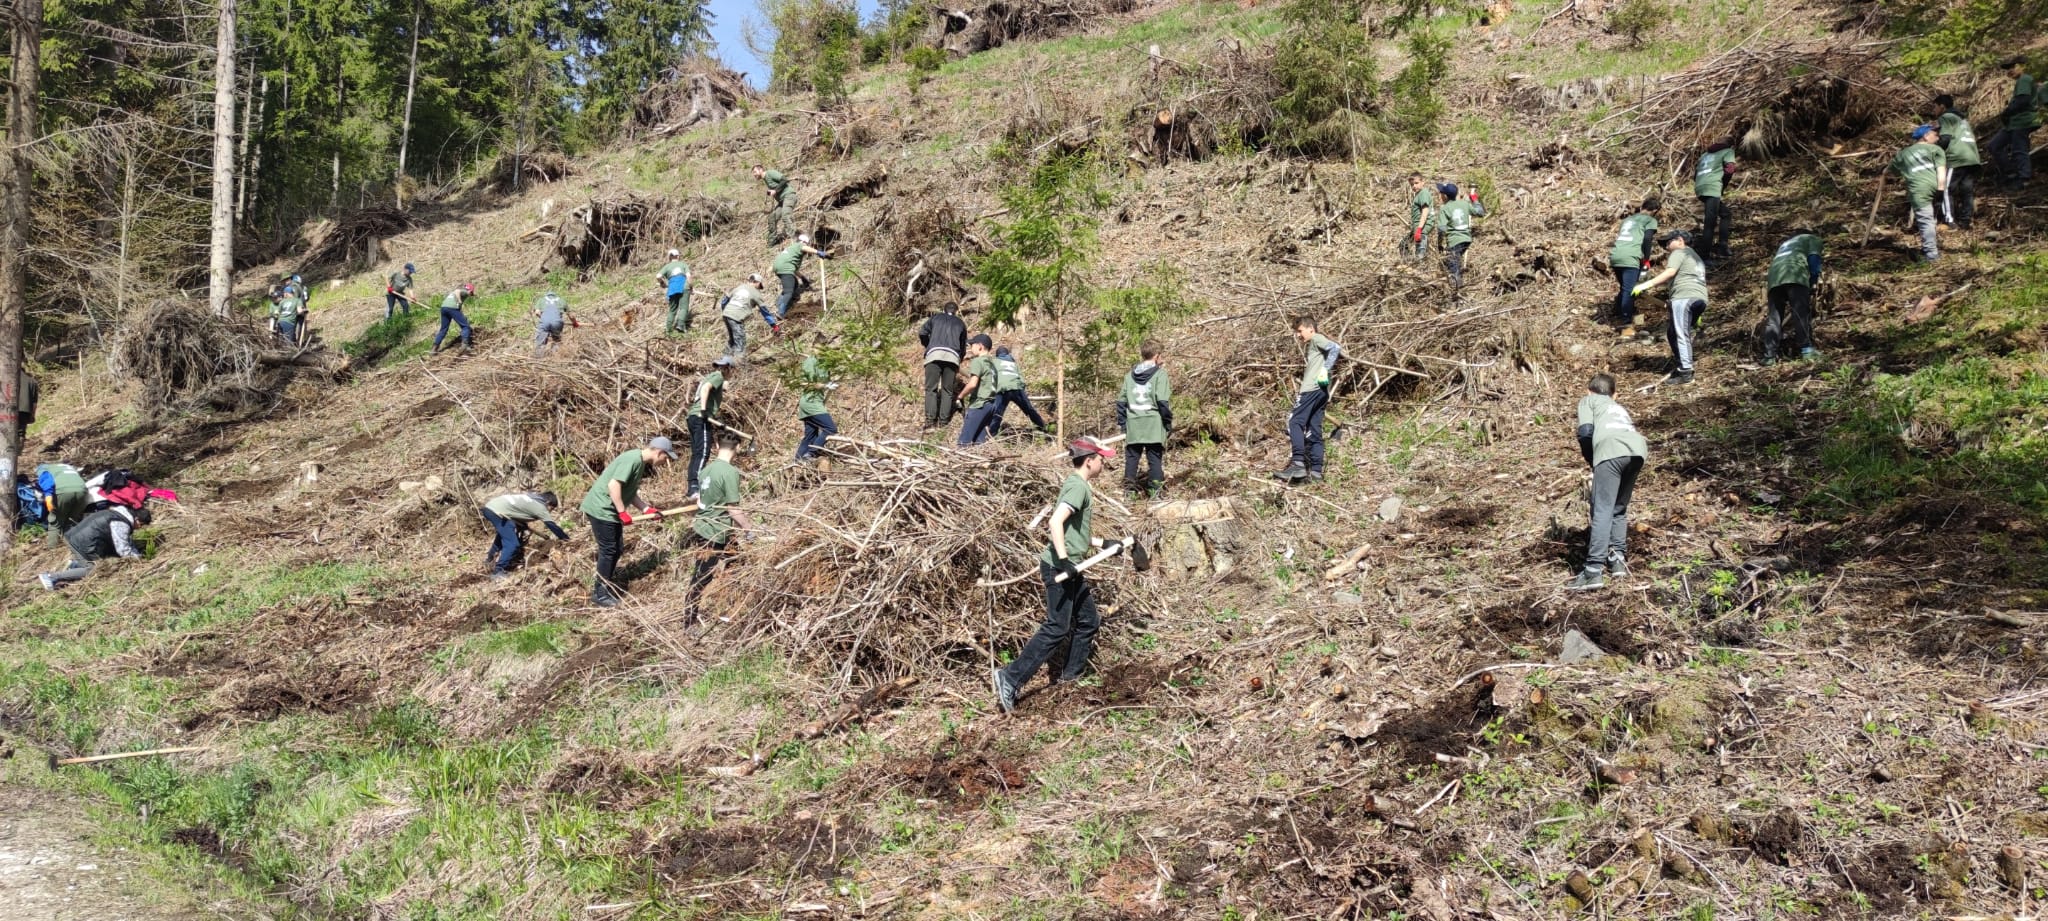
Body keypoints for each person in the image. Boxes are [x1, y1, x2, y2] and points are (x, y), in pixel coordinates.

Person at [992, 437, 1118, 713]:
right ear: (1089, 460)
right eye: (1101, 458)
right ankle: (1010, 677)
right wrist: (1062, 560)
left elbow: (1073, 533)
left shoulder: (1078, 485)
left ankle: (1070, 679)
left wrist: (1102, 544)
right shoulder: (1077, 487)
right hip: (1060, 567)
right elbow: (1054, 521)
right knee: (1057, 626)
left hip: (1069, 566)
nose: (1103, 463)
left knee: (1088, 620)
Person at [1565, 374, 1648, 591]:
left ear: (1589, 391)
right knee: (1618, 508)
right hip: (1638, 450)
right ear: (1615, 394)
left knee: (1602, 509)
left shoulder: (1588, 401)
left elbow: (1585, 433)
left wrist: (1593, 460)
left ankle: (1593, 571)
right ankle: (1617, 559)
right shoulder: (1617, 407)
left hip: (1610, 451)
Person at [579, 436, 677, 607]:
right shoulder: (632, 459)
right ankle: (600, 594)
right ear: (659, 452)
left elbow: (629, 491)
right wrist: (622, 512)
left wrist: (646, 510)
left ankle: (605, 584)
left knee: (616, 549)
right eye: (666, 457)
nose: (665, 461)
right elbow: (613, 485)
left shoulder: (639, 462)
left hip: (609, 511)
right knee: (609, 550)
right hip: (601, 509)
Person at [684, 432, 756, 624]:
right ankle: (688, 622)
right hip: (713, 533)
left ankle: (735, 608)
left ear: (716, 445)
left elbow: (701, 500)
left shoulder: (706, 470)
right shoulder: (730, 472)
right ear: (738, 448)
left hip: (711, 528)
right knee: (701, 578)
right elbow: (733, 509)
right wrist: (749, 529)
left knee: (739, 563)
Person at [1631, 230, 1709, 385]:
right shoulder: (1695, 257)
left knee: (1680, 333)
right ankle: (1682, 362)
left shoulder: (1680, 252)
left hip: (1684, 296)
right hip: (1699, 297)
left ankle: (1686, 371)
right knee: (1672, 332)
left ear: (1680, 240)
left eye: (1668, 242)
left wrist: (1646, 284)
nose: (1666, 247)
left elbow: (1670, 272)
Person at [1275, 317, 1342, 484]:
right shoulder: (1313, 344)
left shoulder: (1316, 338)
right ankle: (1317, 472)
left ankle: (1298, 463)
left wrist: (1324, 371)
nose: (1298, 335)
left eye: (1300, 331)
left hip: (1311, 388)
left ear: (1310, 328)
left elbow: (1335, 348)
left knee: (1295, 421)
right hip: (1322, 390)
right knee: (1314, 428)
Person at [37, 504, 151, 591]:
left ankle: (76, 566)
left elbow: (127, 542)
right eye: (140, 525)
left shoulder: (118, 514)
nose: (139, 528)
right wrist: (139, 561)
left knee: (103, 559)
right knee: (93, 570)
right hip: (82, 542)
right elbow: (123, 549)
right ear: (136, 519)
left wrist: (136, 554)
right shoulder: (121, 523)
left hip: (77, 536)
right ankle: (51, 576)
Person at [1117, 340, 1172, 498]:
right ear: (1156, 356)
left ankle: (1129, 494)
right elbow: (1162, 401)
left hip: (1134, 422)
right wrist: (1167, 422)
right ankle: (1155, 494)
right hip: (1153, 424)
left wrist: (1123, 424)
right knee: (1154, 459)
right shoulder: (1160, 375)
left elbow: (1121, 402)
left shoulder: (1129, 376)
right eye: (1161, 356)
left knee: (1132, 460)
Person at [1763, 229, 1824, 365]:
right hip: (1795, 274)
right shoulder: (1811, 238)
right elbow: (1814, 259)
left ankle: (1769, 356)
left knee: (1774, 317)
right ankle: (1807, 350)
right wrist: (1813, 280)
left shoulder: (1785, 244)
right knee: (1800, 312)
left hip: (1774, 279)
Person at [480, 490, 570, 579]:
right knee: (512, 543)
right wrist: (565, 539)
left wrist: (523, 525)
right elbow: (552, 525)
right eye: (552, 508)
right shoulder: (541, 507)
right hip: (497, 512)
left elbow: (517, 512)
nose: (550, 511)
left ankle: (489, 560)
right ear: (548, 502)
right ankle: (498, 571)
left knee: (505, 535)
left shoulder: (531, 498)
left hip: (491, 507)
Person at [1893, 126, 1949, 263]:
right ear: (1925, 136)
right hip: (1936, 186)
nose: (1938, 137)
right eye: (1935, 135)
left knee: (1925, 221)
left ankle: (1931, 256)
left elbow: (1890, 171)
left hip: (1919, 189)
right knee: (1931, 219)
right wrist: (1941, 190)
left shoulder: (1903, 154)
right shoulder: (1936, 150)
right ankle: (1929, 249)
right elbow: (1941, 170)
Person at [1608, 197, 1662, 327]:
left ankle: (1616, 312)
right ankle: (1626, 321)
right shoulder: (1650, 220)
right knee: (1629, 290)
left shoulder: (1627, 220)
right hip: (1630, 257)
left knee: (1625, 287)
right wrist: (1647, 259)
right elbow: (1648, 238)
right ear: (1654, 210)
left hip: (1616, 255)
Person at [1984, 57, 2037, 189]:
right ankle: (2011, 172)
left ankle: (2024, 179)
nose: (2009, 71)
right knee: (1994, 145)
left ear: (2023, 66)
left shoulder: (2025, 79)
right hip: (2013, 123)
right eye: (2007, 69)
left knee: (2020, 149)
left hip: (2023, 121)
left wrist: (2007, 112)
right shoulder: (2021, 80)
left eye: (2012, 67)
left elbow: (2023, 100)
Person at [1930, 95, 1982, 229]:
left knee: (1946, 189)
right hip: (1971, 157)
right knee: (1967, 191)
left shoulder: (1946, 117)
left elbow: (1946, 139)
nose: (1933, 110)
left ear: (1942, 106)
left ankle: (1950, 221)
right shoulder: (1963, 119)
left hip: (1956, 157)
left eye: (1934, 107)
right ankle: (1965, 221)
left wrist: (1931, 148)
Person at [685, 357, 731, 497]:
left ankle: (692, 487)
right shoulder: (718, 376)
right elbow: (706, 389)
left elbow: (715, 390)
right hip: (700, 417)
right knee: (703, 452)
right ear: (728, 368)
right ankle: (694, 488)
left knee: (697, 453)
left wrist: (716, 418)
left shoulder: (710, 376)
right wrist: (704, 410)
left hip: (693, 417)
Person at [918, 301, 969, 429]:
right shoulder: (960, 323)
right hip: (952, 358)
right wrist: (959, 358)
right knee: (948, 391)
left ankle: (930, 421)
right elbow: (963, 346)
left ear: (943, 309)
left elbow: (922, 332)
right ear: (956, 311)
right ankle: (944, 422)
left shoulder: (935, 318)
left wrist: (928, 345)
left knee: (931, 389)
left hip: (933, 355)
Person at [769, 234, 832, 327]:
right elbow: (803, 248)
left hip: (779, 267)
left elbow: (793, 268)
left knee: (794, 284)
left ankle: (783, 302)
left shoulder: (792, 249)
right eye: (807, 244)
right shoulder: (799, 245)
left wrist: (803, 278)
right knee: (789, 291)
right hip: (785, 268)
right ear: (803, 242)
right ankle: (781, 312)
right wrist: (818, 252)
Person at [988, 346, 1050, 437]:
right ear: (1008, 354)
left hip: (1002, 389)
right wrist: (1022, 391)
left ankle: (992, 434)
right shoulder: (1013, 363)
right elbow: (1021, 379)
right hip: (1016, 388)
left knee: (997, 413)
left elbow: (992, 378)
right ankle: (1042, 427)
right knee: (1029, 409)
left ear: (997, 355)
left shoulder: (994, 362)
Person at [953, 335, 1003, 445]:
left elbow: (972, 384)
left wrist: (960, 396)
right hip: (991, 405)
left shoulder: (978, 361)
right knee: (979, 443)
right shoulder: (993, 363)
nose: (970, 348)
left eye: (972, 345)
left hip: (979, 404)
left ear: (980, 346)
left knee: (964, 442)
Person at [1693, 141, 1737, 260]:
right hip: (1712, 187)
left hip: (1700, 187)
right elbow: (1730, 169)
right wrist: (1723, 184)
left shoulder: (1704, 155)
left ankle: (1722, 245)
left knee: (1725, 214)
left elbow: (1695, 174)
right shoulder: (1728, 151)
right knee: (1710, 223)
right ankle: (1704, 256)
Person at [1434, 183, 1479, 291]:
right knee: (1455, 263)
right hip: (1467, 240)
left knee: (1453, 269)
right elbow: (1480, 212)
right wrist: (1475, 199)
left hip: (1454, 241)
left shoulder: (1445, 208)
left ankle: (1457, 293)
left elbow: (1441, 229)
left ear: (1444, 196)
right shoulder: (1464, 204)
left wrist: (1439, 244)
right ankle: (1458, 288)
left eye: (1441, 193)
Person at [795, 354, 837, 463]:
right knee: (830, 428)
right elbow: (804, 383)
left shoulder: (824, 363)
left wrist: (829, 382)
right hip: (811, 403)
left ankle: (797, 462)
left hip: (815, 402)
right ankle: (811, 452)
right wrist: (825, 386)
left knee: (811, 435)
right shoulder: (810, 362)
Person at [719, 275, 770, 363]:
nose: (759, 288)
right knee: (740, 340)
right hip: (736, 317)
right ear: (757, 282)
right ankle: (738, 362)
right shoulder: (756, 293)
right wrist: (774, 325)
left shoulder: (739, 288)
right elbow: (764, 311)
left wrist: (726, 312)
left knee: (732, 339)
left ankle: (724, 359)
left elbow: (724, 301)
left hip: (726, 314)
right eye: (759, 285)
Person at [34, 462, 87, 544]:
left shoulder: (44, 469)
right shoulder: (67, 467)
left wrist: (48, 496)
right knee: (72, 520)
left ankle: (52, 550)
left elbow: (47, 481)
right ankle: (73, 546)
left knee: (55, 521)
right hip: (82, 491)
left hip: (63, 492)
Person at [754, 165, 797, 244]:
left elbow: (784, 180)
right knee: (772, 218)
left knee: (786, 215)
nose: (754, 174)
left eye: (755, 172)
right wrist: (771, 191)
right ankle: (772, 242)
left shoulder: (770, 173)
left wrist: (775, 191)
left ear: (761, 170)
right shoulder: (766, 179)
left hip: (789, 196)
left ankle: (794, 240)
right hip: (782, 201)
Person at [431, 284, 477, 354]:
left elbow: (458, 310)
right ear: (470, 290)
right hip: (452, 308)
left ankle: (434, 349)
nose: (470, 295)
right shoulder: (464, 291)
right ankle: (465, 345)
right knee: (465, 327)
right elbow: (457, 291)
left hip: (444, 307)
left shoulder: (454, 295)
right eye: (471, 293)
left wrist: (462, 314)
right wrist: (459, 302)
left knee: (443, 329)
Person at [658, 249, 692, 335]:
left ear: (669, 257)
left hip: (672, 288)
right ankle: (680, 325)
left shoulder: (667, 266)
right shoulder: (683, 264)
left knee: (672, 309)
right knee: (684, 307)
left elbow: (658, 276)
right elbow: (689, 276)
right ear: (678, 256)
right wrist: (691, 286)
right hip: (684, 286)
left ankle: (669, 330)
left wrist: (662, 283)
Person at [1403, 173, 1435, 261]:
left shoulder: (1423, 193)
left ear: (1423, 182)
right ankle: (1409, 262)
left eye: (1416, 183)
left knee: (1420, 251)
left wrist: (1419, 229)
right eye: (1412, 184)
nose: (1414, 186)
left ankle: (1420, 266)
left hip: (1422, 227)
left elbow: (1425, 211)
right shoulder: (1418, 194)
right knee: (1403, 244)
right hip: (1417, 226)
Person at [533, 291, 574, 356]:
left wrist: (544, 318)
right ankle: (555, 357)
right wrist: (575, 323)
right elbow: (571, 315)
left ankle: (539, 358)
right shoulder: (561, 300)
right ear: (555, 295)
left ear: (547, 295)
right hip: (557, 322)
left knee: (541, 342)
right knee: (556, 341)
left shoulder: (541, 300)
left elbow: (537, 312)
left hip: (544, 322)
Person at [15, 367, 37, 441]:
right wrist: (32, 415)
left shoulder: (8, 379)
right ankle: (19, 449)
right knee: (21, 433)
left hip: (8, 410)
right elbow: (34, 403)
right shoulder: (32, 381)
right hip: (25, 411)